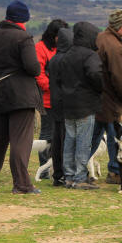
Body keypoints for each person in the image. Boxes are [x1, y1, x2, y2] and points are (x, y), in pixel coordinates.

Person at [0, 0, 42, 194]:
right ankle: (22, 184)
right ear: (24, 19)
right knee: (20, 141)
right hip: (21, 97)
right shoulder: (23, 38)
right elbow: (33, 68)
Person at [57, 21, 103, 190]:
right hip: (85, 104)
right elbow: (96, 74)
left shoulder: (67, 54)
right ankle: (80, 178)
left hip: (68, 105)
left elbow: (59, 78)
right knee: (83, 143)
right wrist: (100, 88)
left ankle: (68, 176)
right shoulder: (90, 55)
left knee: (70, 141)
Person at [91, 9, 122, 185]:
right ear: (118, 25)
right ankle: (115, 171)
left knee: (94, 136)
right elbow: (119, 77)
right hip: (109, 99)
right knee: (115, 137)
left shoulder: (101, 38)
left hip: (97, 97)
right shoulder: (114, 46)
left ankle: (77, 169)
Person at [34, 19, 69, 179]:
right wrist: (53, 87)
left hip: (63, 99)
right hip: (47, 99)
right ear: (53, 35)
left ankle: (58, 166)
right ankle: (44, 168)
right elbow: (39, 73)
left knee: (62, 134)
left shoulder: (66, 48)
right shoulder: (40, 48)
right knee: (47, 133)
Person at [47, 27, 73, 186]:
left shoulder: (54, 59)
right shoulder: (67, 60)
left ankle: (58, 174)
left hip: (54, 103)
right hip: (66, 104)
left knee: (56, 140)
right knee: (66, 141)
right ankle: (65, 173)